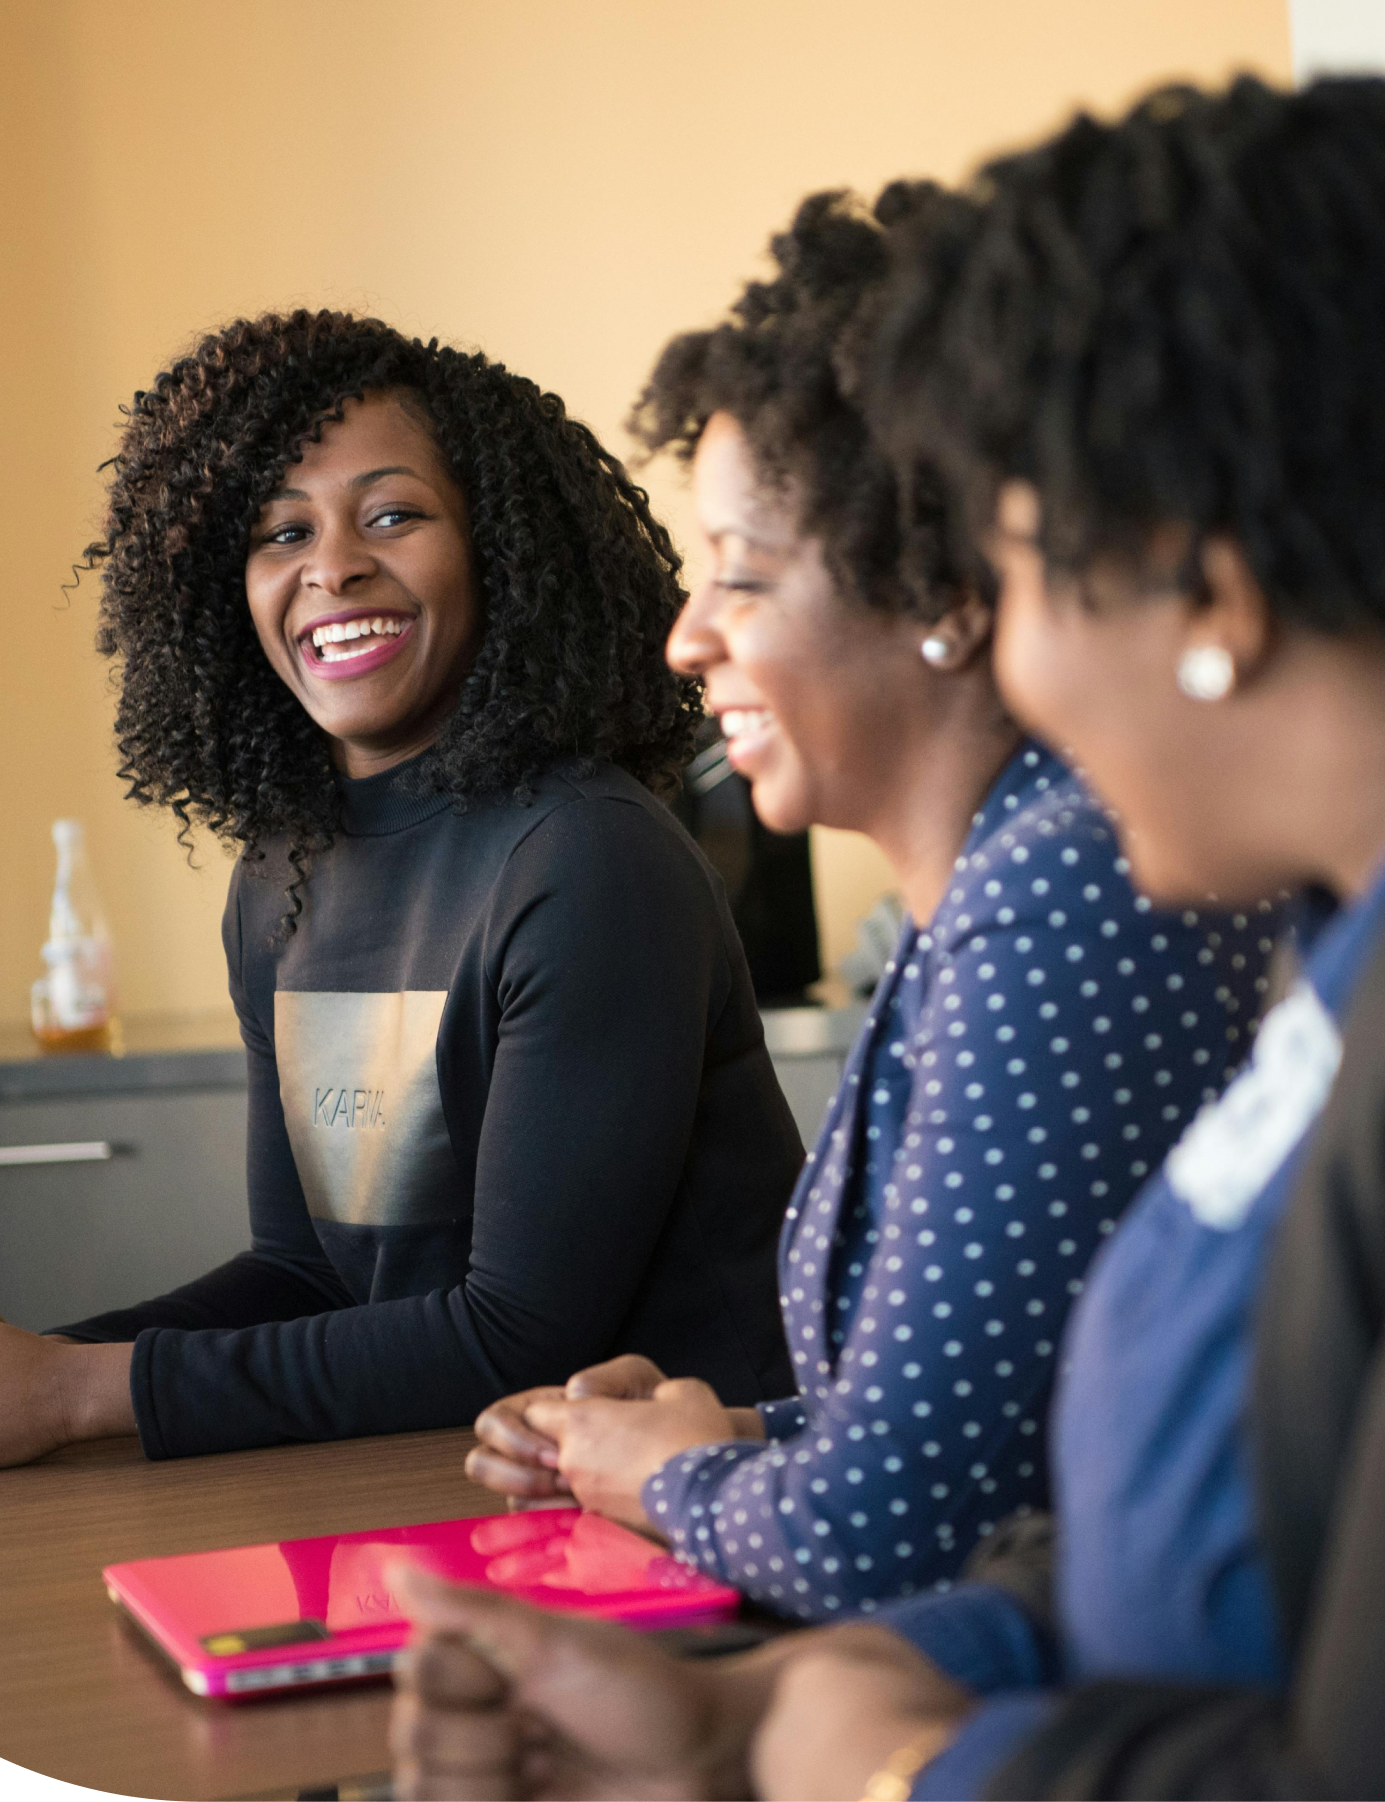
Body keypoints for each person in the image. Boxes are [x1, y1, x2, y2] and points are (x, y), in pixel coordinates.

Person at [385, 77, 1385, 1802]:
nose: (1011, 669)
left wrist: (900, 1764)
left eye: (1017, 574)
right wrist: (815, 1690)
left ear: (1207, 587)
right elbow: (1247, 1479)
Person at [459, 188, 1269, 1618]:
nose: (687, 635)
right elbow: (987, 1438)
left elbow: (882, 1540)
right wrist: (699, 1441)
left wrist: (665, 1481)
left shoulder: (1063, 894)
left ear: (942, 591)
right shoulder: (979, 894)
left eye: (741, 577)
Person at [0, 311, 804, 1471]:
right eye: (279, 532)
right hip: (433, 1472)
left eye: (393, 514)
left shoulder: (587, 857)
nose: (332, 566)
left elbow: (515, 1333)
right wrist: (31, 1361)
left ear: (500, 552)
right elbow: (307, 1274)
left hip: (688, 1512)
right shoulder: (281, 874)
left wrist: (73, 1390)